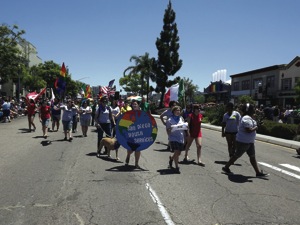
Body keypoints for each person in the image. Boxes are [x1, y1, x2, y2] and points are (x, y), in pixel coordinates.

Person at [222, 103, 269, 177]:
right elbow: (248, 130)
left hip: (249, 142)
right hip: (243, 142)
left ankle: (258, 172)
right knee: (236, 155)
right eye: (252, 109)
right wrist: (256, 127)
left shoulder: (248, 117)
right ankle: (226, 167)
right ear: (249, 110)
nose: (254, 110)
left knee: (252, 156)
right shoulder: (246, 118)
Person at [166, 106, 189, 174]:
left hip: (181, 137)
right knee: (177, 151)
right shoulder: (169, 120)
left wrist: (187, 131)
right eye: (176, 110)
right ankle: (177, 167)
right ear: (173, 111)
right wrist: (170, 131)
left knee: (178, 153)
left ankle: (171, 158)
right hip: (173, 138)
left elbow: (184, 127)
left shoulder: (181, 118)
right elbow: (168, 130)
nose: (178, 111)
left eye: (179, 110)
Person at [124, 100, 142, 168]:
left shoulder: (141, 113)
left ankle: (136, 163)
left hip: (139, 133)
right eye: (133, 104)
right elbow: (125, 122)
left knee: (138, 149)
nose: (134, 105)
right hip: (131, 133)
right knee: (130, 149)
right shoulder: (129, 113)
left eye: (136, 104)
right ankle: (128, 155)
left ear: (138, 105)